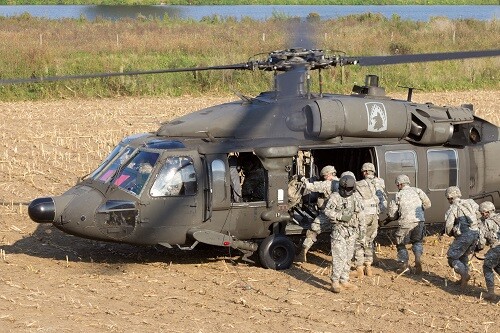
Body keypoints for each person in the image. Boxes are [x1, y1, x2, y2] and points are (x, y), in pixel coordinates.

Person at [324, 173, 365, 293]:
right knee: (339, 257)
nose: (346, 191)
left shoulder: (356, 197)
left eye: (348, 189)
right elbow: (327, 211)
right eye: (344, 189)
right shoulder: (335, 197)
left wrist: (362, 233)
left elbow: (361, 215)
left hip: (352, 232)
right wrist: (341, 216)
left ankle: (344, 280)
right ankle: (335, 282)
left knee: (348, 257)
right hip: (339, 231)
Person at [388, 174, 431, 274]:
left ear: (399, 184)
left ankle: (404, 266)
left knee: (400, 244)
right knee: (417, 242)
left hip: (406, 222)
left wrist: (396, 215)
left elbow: (391, 215)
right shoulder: (418, 190)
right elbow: (428, 204)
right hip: (419, 221)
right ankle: (417, 260)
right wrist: (419, 210)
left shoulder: (398, 195)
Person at [352, 162, 387, 278]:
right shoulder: (380, 182)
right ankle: (368, 266)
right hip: (374, 216)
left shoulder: (359, 184)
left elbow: (354, 201)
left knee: (359, 241)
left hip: (364, 217)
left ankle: (359, 269)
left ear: (365, 172)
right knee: (369, 241)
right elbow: (384, 203)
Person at [299, 165, 339, 262]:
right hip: (340, 216)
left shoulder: (326, 184)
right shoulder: (343, 182)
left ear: (328, 175)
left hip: (327, 215)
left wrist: (303, 178)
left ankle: (303, 253)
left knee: (313, 230)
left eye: (324, 176)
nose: (324, 178)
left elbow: (309, 186)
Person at [444, 186, 480, 288]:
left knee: (452, 257)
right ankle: (464, 278)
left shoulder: (452, 208)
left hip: (464, 235)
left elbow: (448, 226)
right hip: (475, 233)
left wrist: (451, 232)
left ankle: (464, 275)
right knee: (463, 255)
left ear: (449, 198)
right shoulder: (471, 202)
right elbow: (480, 213)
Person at [477, 201, 499, 300]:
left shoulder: (486, 222)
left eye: (483, 213)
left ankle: (491, 293)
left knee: (487, 266)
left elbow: (481, 242)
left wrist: (477, 248)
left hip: (497, 247)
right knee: (497, 266)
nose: (482, 215)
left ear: (487, 212)